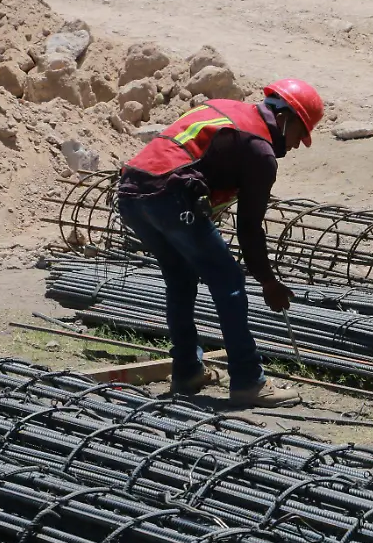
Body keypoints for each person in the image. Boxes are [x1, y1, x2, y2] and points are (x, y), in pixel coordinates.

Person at [113, 79, 324, 408]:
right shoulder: (260, 150)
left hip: (130, 194)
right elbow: (249, 228)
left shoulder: (227, 109)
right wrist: (268, 281)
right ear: (286, 119)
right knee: (228, 280)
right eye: (302, 134)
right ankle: (248, 382)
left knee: (180, 278)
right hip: (168, 199)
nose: (297, 145)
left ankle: (188, 371)